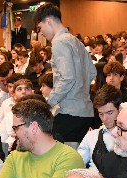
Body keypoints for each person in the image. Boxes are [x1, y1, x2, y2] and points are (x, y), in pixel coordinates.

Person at [34, 3, 96, 142]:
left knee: (46, 145)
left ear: (48, 21)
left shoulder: (59, 42)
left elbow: (67, 78)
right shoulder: (75, 40)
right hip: (86, 111)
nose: (41, 33)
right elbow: (92, 72)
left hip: (70, 111)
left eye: (40, 27)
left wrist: (49, 103)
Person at [79, 85, 122, 168]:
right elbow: (77, 163)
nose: (105, 118)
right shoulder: (91, 136)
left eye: (110, 113)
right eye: (101, 114)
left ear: (120, 109)